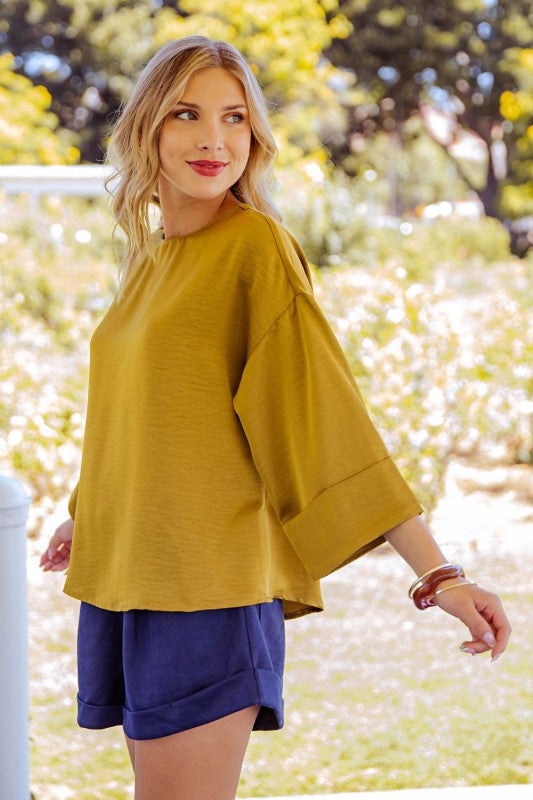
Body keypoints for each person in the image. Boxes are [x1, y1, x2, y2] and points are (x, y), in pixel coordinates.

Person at [40, 35, 511, 800]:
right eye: (187, 114)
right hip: (136, 578)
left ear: (254, 136)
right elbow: (153, 411)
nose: (214, 139)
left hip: (210, 591)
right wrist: (87, 509)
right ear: (146, 126)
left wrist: (439, 575)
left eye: (234, 118)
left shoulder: (254, 249)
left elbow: (324, 421)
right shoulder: (152, 258)